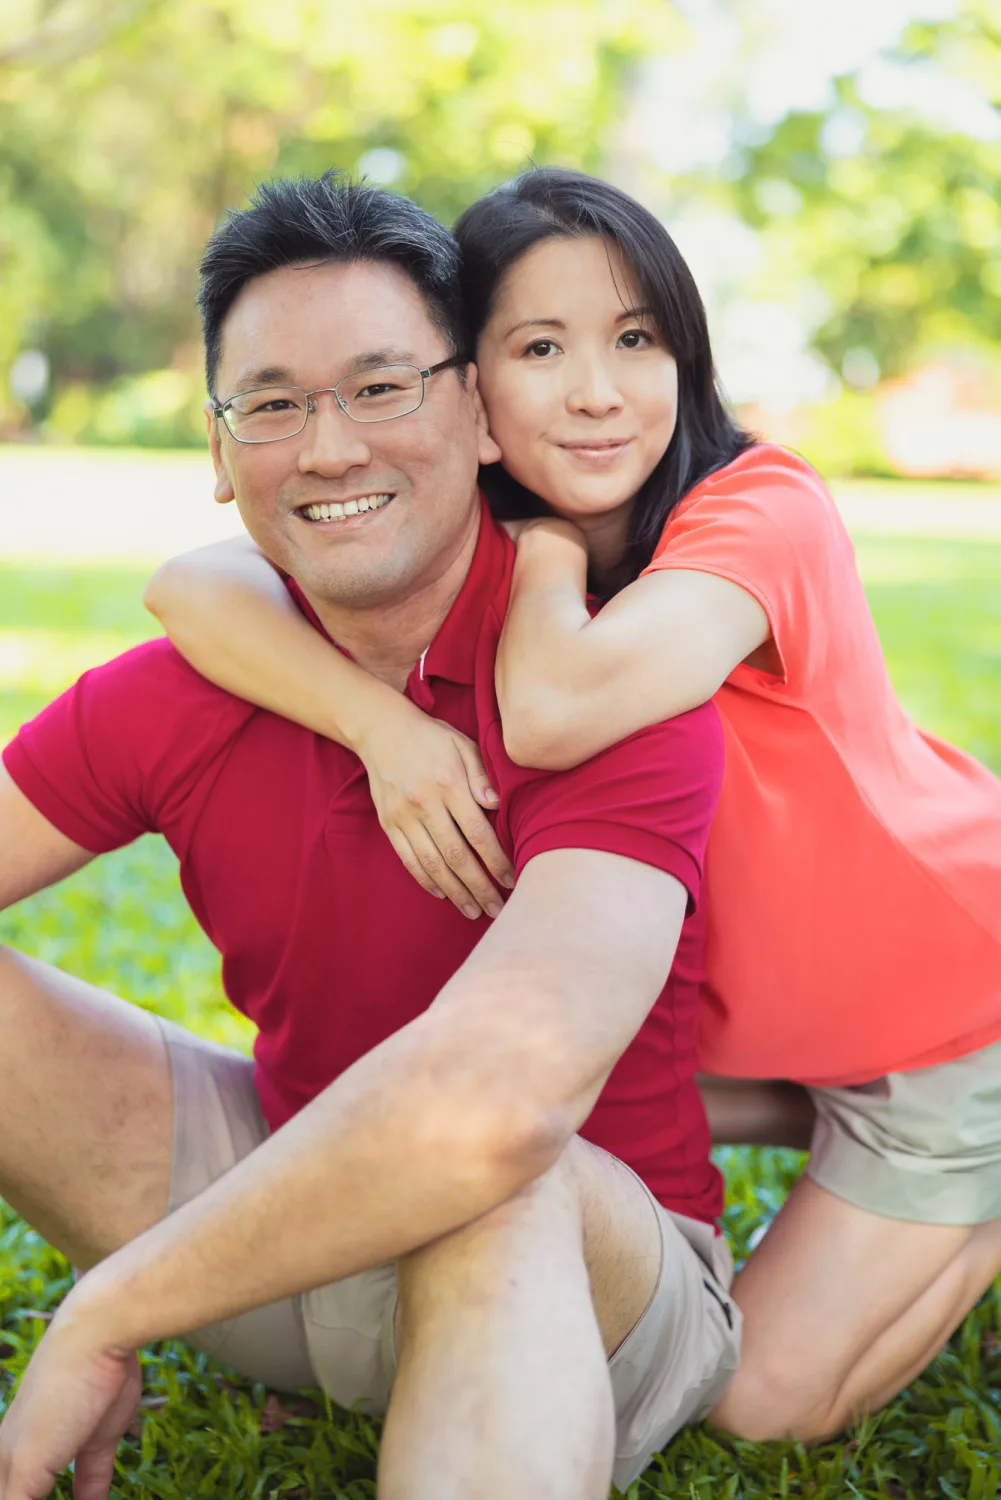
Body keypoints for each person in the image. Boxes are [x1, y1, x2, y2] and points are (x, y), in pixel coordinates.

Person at [146, 166, 1001, 1444]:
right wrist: (379, 727)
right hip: (768, 1023)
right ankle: (810, 1111)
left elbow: (554, 710)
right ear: (467, 387)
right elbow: (194, 584)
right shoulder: (465, 517)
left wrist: (543, 551)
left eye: (636, 338)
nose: (598, 391)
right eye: (540, 347)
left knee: (760, 1406)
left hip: (945, 1007)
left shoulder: (760, 511)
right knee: (461, 1105)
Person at [0, 173, 742, 1500]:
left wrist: (110, 1306)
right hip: (296, 1220)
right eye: (273, 405)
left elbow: (505, 1100)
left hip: (590, 1271)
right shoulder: (183, 689)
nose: (328, 449)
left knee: (490, 1169)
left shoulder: (604, 682)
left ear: (477, 413)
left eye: (382, 386)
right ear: (221, 457)